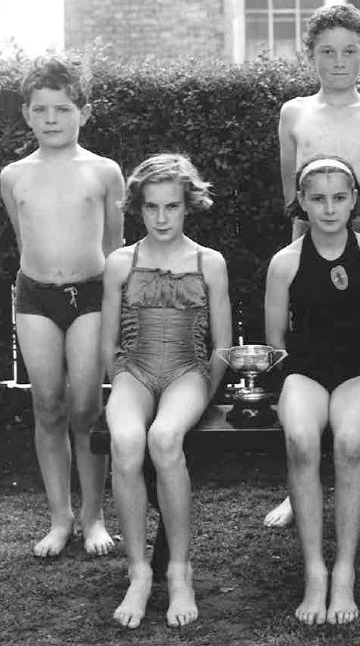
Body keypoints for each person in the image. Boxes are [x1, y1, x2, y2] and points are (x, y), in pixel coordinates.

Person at [267, 3, 360, 529]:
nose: (338, 60)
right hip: (309, 247)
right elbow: (291, 191)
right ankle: (295, 490)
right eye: (327, 51)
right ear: (310, 56)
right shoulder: (294, 113)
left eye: (350, 50)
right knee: (302, 364)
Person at [265, 156, 360, 625]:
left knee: (348, 443)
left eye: (339, 198)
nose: (328, 208)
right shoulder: (285, 262)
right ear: (300, 201)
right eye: (317, 198)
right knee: (302, 441)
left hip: (359, 372)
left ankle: (344, 570)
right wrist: (288, 389)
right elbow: (276, 341)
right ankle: (314, 571)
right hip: (305, 372)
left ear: (354, 200)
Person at [0, 54, 124, 557]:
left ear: (85, 113)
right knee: (47, 405)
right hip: (34, 299)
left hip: (91, 296)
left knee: (86, 406)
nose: (52, 119)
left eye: (64, 109)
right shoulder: (14, 176)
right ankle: (60, 518)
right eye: (42, 109)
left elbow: (116, 247)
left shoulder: (104, 172)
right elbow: (21, 237)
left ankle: (94, 517)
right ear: (27, 113)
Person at [101, 154, 232, 628]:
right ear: (138, 207)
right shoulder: (121, 263)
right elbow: (108, 344)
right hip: (134, 371)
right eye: (152, 207)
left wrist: (203, 392)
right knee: (127, 441)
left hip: (186, 373)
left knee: (164, 439)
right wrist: (121, 388)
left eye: (171, 207)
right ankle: (138, 572)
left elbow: (222, 346)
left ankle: (179, 571)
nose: (161, 218)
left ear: (187, 206)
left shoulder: (208, 263)